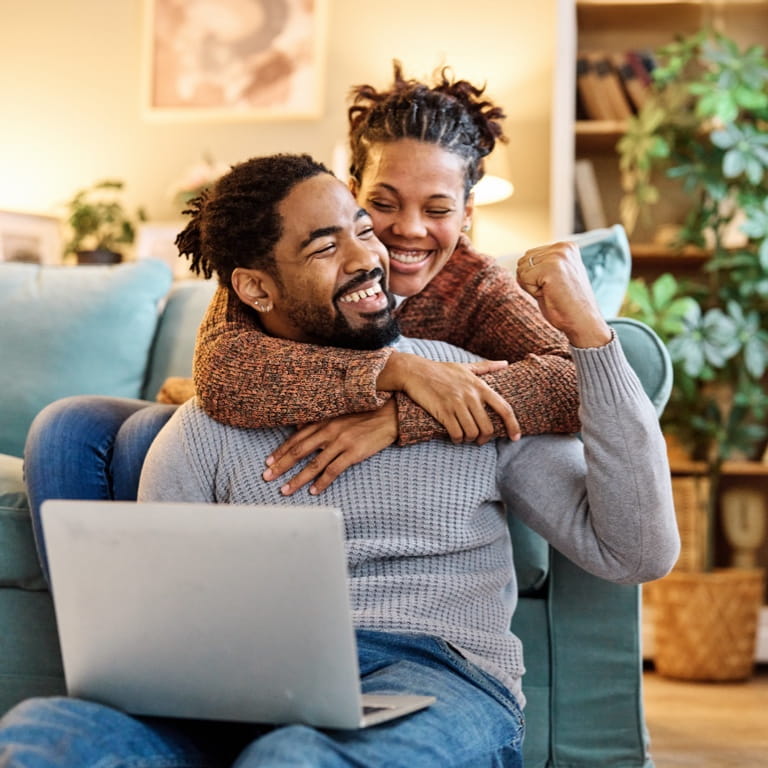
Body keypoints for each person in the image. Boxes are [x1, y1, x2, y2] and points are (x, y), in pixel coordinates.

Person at [0, 154, 679, 768]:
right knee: (43, 734)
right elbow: (157, 640)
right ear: (257, 290)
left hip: (437, 678)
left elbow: (638, 553)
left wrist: (590, 336)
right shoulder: (208, 424)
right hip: (244, 695)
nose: (370, 255)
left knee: (295, 760)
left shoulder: (469, 390)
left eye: (362, 228)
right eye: (327, 245)